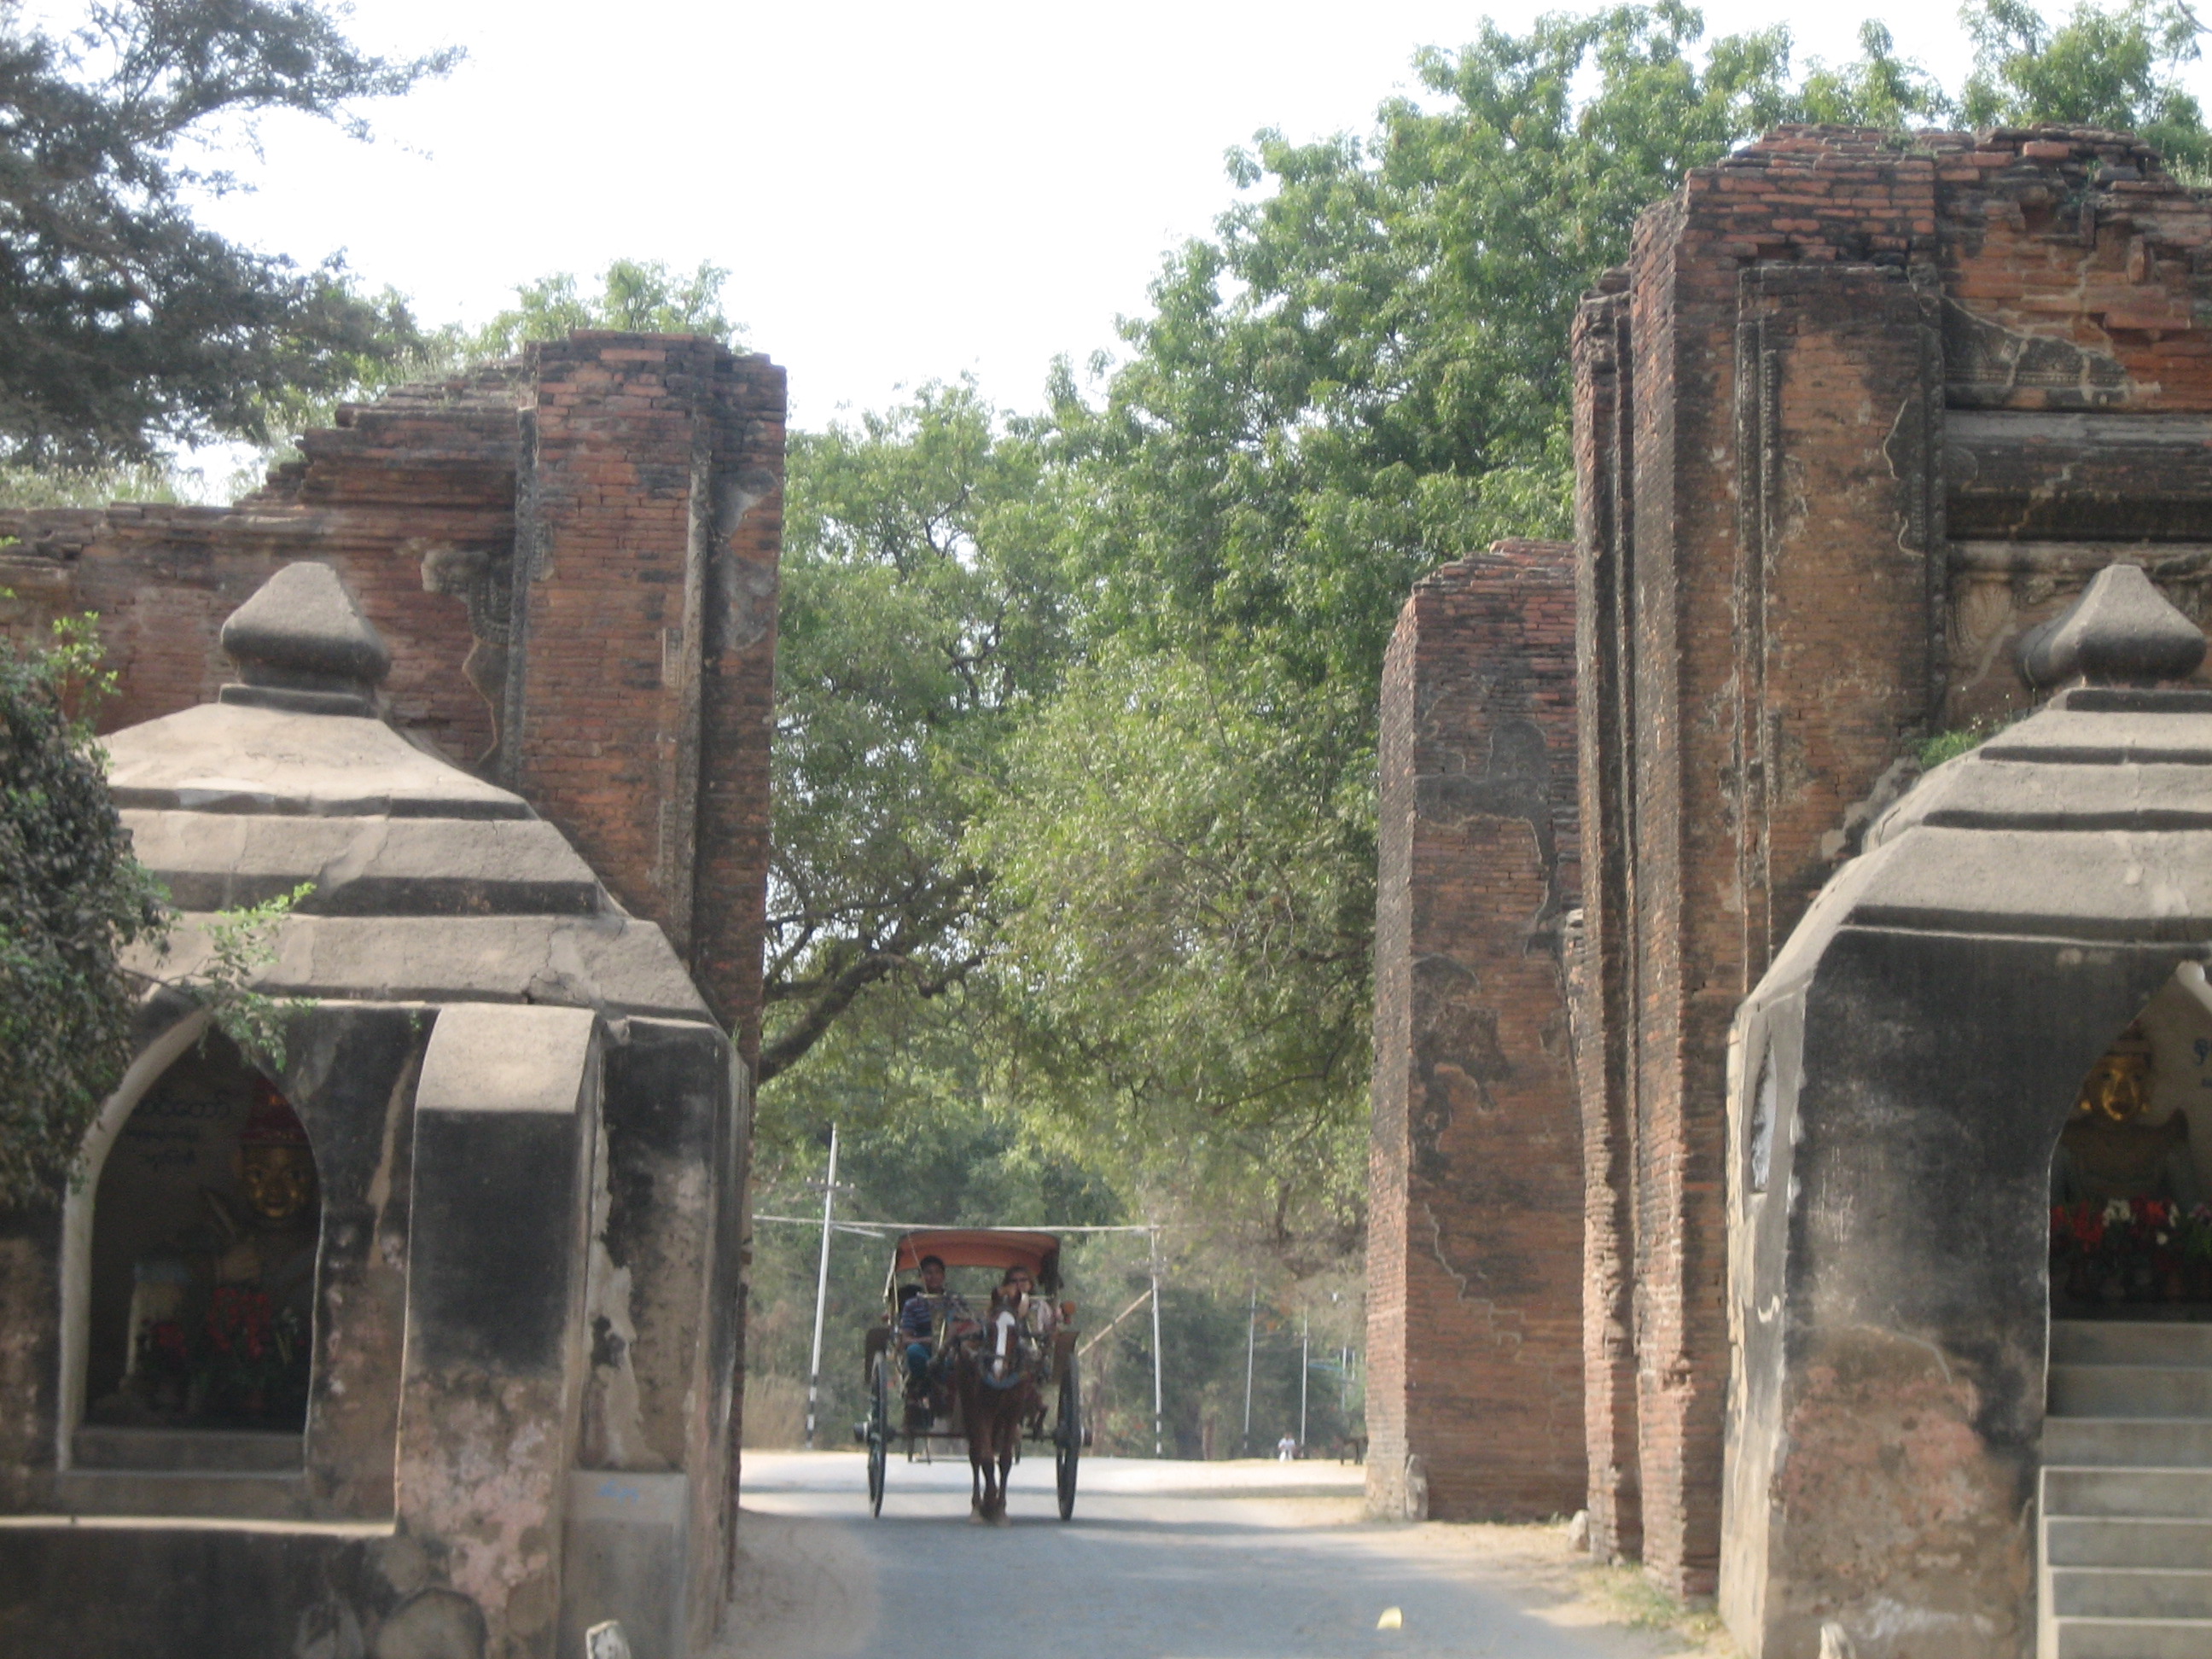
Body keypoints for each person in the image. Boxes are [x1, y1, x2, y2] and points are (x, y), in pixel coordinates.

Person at [899, 1254, 969, 1402]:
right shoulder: (913, 1304)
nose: (933, 1277)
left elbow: (966, 1325)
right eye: (928, 1273)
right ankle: (926, 1384)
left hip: (951, 1346)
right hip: (924, 1347)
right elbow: (906, 1338)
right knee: (913, 1352)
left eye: (937, 1272)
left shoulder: (955, 1301)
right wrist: (930, 1340)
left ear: (943, 1276)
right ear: (921, 1277)